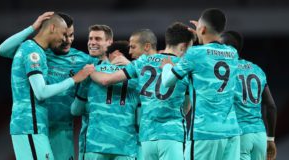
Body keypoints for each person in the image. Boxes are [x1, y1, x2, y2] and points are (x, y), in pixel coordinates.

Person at [0, 12, 103, 160]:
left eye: (71, 35)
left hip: (60, 127)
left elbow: (105, 68)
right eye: (64, 34)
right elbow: (2, 50)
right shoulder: (37, 51)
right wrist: (32, 27)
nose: (67, 39)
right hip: (32, 124)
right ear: (53, 28)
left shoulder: (81, 59)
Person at [88, 22, 194, 160]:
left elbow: (106, 80)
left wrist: (90, 72)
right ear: (184, 45)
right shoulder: (184, 66)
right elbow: (187, 106)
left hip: (147, 137)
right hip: (172, 135)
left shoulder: (142, 62)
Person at [161, 8, 241, 160]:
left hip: (205, 132)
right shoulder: (232, 53)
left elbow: (167, 81)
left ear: (202, 29)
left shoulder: (194, 53)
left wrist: (166, 66)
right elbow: (215, 49)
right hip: (231, 132)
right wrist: (203, 32)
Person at [71, 40, 140, 160]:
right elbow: (140, 119)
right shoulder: (138, 76)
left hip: (95, 145)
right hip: (126, 147)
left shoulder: (91, 72)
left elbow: (75, 110)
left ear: (116, 53)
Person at [221, 30, 277, 160]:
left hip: (240, 135)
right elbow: (271, 106)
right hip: (260, 135)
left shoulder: (225, 70)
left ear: (226, 47)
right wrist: (270, 139)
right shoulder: (257, 69)